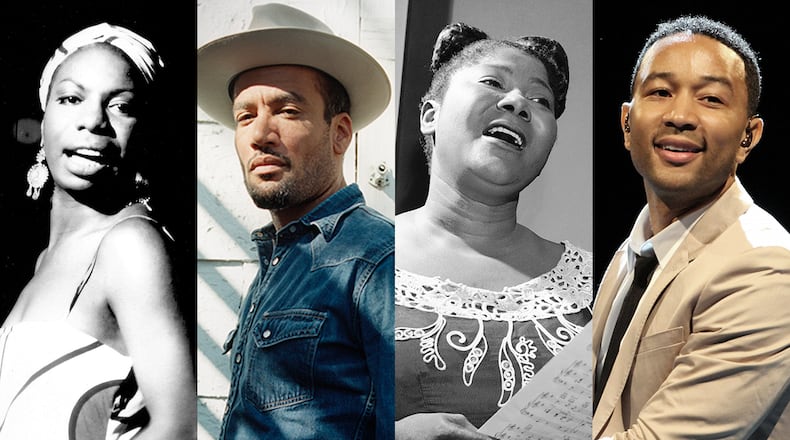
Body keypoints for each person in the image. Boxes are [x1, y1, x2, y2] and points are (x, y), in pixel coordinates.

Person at [196, 3, 394, 439]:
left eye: (287, 110)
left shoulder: (379, 260)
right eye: (245, 116)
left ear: (340, 133)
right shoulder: (279, 258)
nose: (259, 134)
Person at [592, 15, 790, 439]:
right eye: (660, 92)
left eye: (712, 99)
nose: (680, 115)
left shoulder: (766, 268)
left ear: (748, 137)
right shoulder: (634, 252)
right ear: (627, 124)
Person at [394, 22, 592, 439]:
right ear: (431, 115)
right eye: (492, 82)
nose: (519, 102)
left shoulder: (596, 282)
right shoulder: (359, 262)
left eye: (541, 100)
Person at [0, 23, 196, 439]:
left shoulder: (131, 245)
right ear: (44, 114)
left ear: (143, 130)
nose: (92, 121)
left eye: (121, 106)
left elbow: (178, 426)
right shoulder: (44, 259)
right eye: (71, 98)